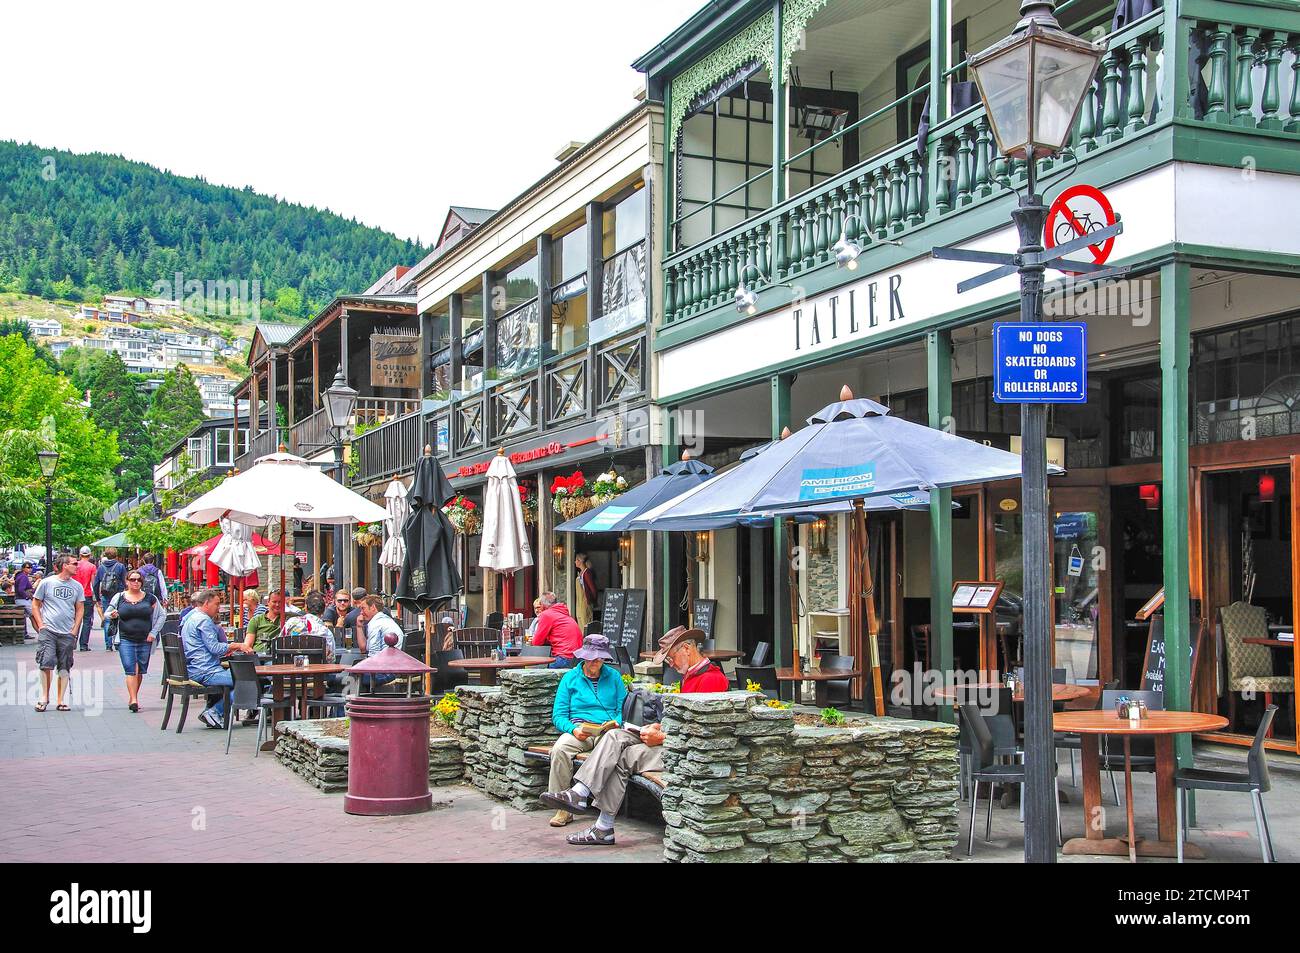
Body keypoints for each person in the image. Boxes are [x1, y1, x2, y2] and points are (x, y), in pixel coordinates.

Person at [543, 626, 728, 846]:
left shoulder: (711, 681)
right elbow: (681, 720)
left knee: (621, 754)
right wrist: (657, 726)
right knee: (615, 739)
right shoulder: (691, 676)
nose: (670, 664)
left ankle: (598, 819)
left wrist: (661, 736)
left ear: (687, 648)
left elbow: (701, 734)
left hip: (686, 755)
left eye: (671, 657)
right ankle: (584, 798)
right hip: (671, 742)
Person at [544, 634, 627, 827]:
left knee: (608, 750)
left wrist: (616, 722)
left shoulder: (613, 677)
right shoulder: (570, 678)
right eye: (590, 659)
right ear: (583, 657)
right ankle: (563, 807)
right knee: (559, 750)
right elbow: (558, 715)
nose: (594, 663)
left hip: (607, 729)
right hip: (580, 729)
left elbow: (623, 709)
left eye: (598, 659)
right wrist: (573, 730)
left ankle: (597, 804)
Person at [107, 568, 166, 712]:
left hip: (145, 639)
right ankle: (134, 699)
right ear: (127, 581)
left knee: (139, 670)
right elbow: (107, 613)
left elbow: (161, 615)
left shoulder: (150, 598)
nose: (136, 582)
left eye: (138, 580)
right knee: (130, 668)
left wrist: (153, 632)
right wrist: (113, 615)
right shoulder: (119, 597)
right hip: (125, 638)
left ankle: (133, 696)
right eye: (132, 579)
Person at [32, 555, 86, 712]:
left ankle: (61, 700)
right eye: (75, 564)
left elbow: (80, 608)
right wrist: (41, 625)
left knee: (64, 666)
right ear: (64, 565)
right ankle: (44, 697)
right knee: (45, 662)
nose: (78, 566)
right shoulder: (47, 583)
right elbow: (35, 604)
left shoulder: (77, 586)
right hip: (48, 630)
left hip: (67, 631)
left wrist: (75, 629)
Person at [179, 588, 238, 729]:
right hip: (205, 671)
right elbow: (214, 648)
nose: (219, 608)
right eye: (217, 604)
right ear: (206, 603)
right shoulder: (203, 620)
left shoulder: (190, 616)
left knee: (241, 678)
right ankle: (214, 711)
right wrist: (235, 646)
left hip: (195, 668)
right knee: (248, 680)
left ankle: (212, 711)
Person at [353, 594, 403, 691]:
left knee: (351, 678)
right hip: (395, 668)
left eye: (363, 608)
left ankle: (358, 705)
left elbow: (373, 655)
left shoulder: (376, 623)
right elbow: (363, 649)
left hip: (385, 671)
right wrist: (359, 627)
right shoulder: (385, 620)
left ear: (373, 607)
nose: (361, 612)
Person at [530, 591, 583, 669]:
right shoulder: (563, 613)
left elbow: (536, 642)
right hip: (578, 658)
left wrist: (532, 640)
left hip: (564, 658)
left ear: (542, 605)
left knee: (536, 669)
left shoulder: (546, 615)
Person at [93, 548, 127, 650]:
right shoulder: (120, 566)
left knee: (107, 618)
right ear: (116, 555)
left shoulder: (101, 567)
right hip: (119, 595)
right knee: (119, 617)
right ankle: (117, 642)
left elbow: (95, 584)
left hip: (106, 595)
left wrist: (97, 597)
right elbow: (125, 581)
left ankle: (108, 645)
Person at [245, 591, 287, 655]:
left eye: (280, 602)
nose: (277, 605)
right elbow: (248, 644)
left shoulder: (289, 619)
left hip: (279, 655)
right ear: (268, 602)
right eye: (274, 602)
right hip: (258, 656)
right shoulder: (256, 620)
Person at [73, 546, 97, 651]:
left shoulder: (75, 565)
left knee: (74, 620)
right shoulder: (92, 567)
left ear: (80, 554)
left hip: (74, 596)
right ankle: (83, 645)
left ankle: (72, 642)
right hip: (87, 595)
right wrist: (95, 596)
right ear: (89, 555)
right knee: (87, 620)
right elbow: (93, 583)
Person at [573, 554, 596, 629]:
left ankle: (586, 640)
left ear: (580, 561)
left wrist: (592, 601)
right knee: (580, 622)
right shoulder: (580, 573)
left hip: (585, 602)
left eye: (576, 560)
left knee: (585, 623)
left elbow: (592, 588)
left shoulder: (586, 573)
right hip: (579, 602)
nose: (575, 562)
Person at [14, 560, 35, 640]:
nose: (30, 569)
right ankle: (41, 634)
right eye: (28, 567)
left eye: (31, 567)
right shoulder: (23, 577)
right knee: (34, 615)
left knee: (27, 617)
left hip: (19, 599)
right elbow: (21, 589)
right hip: (23, 600)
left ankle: (25, 633)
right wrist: (27, 597)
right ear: (23, 568)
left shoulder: (20, 576)